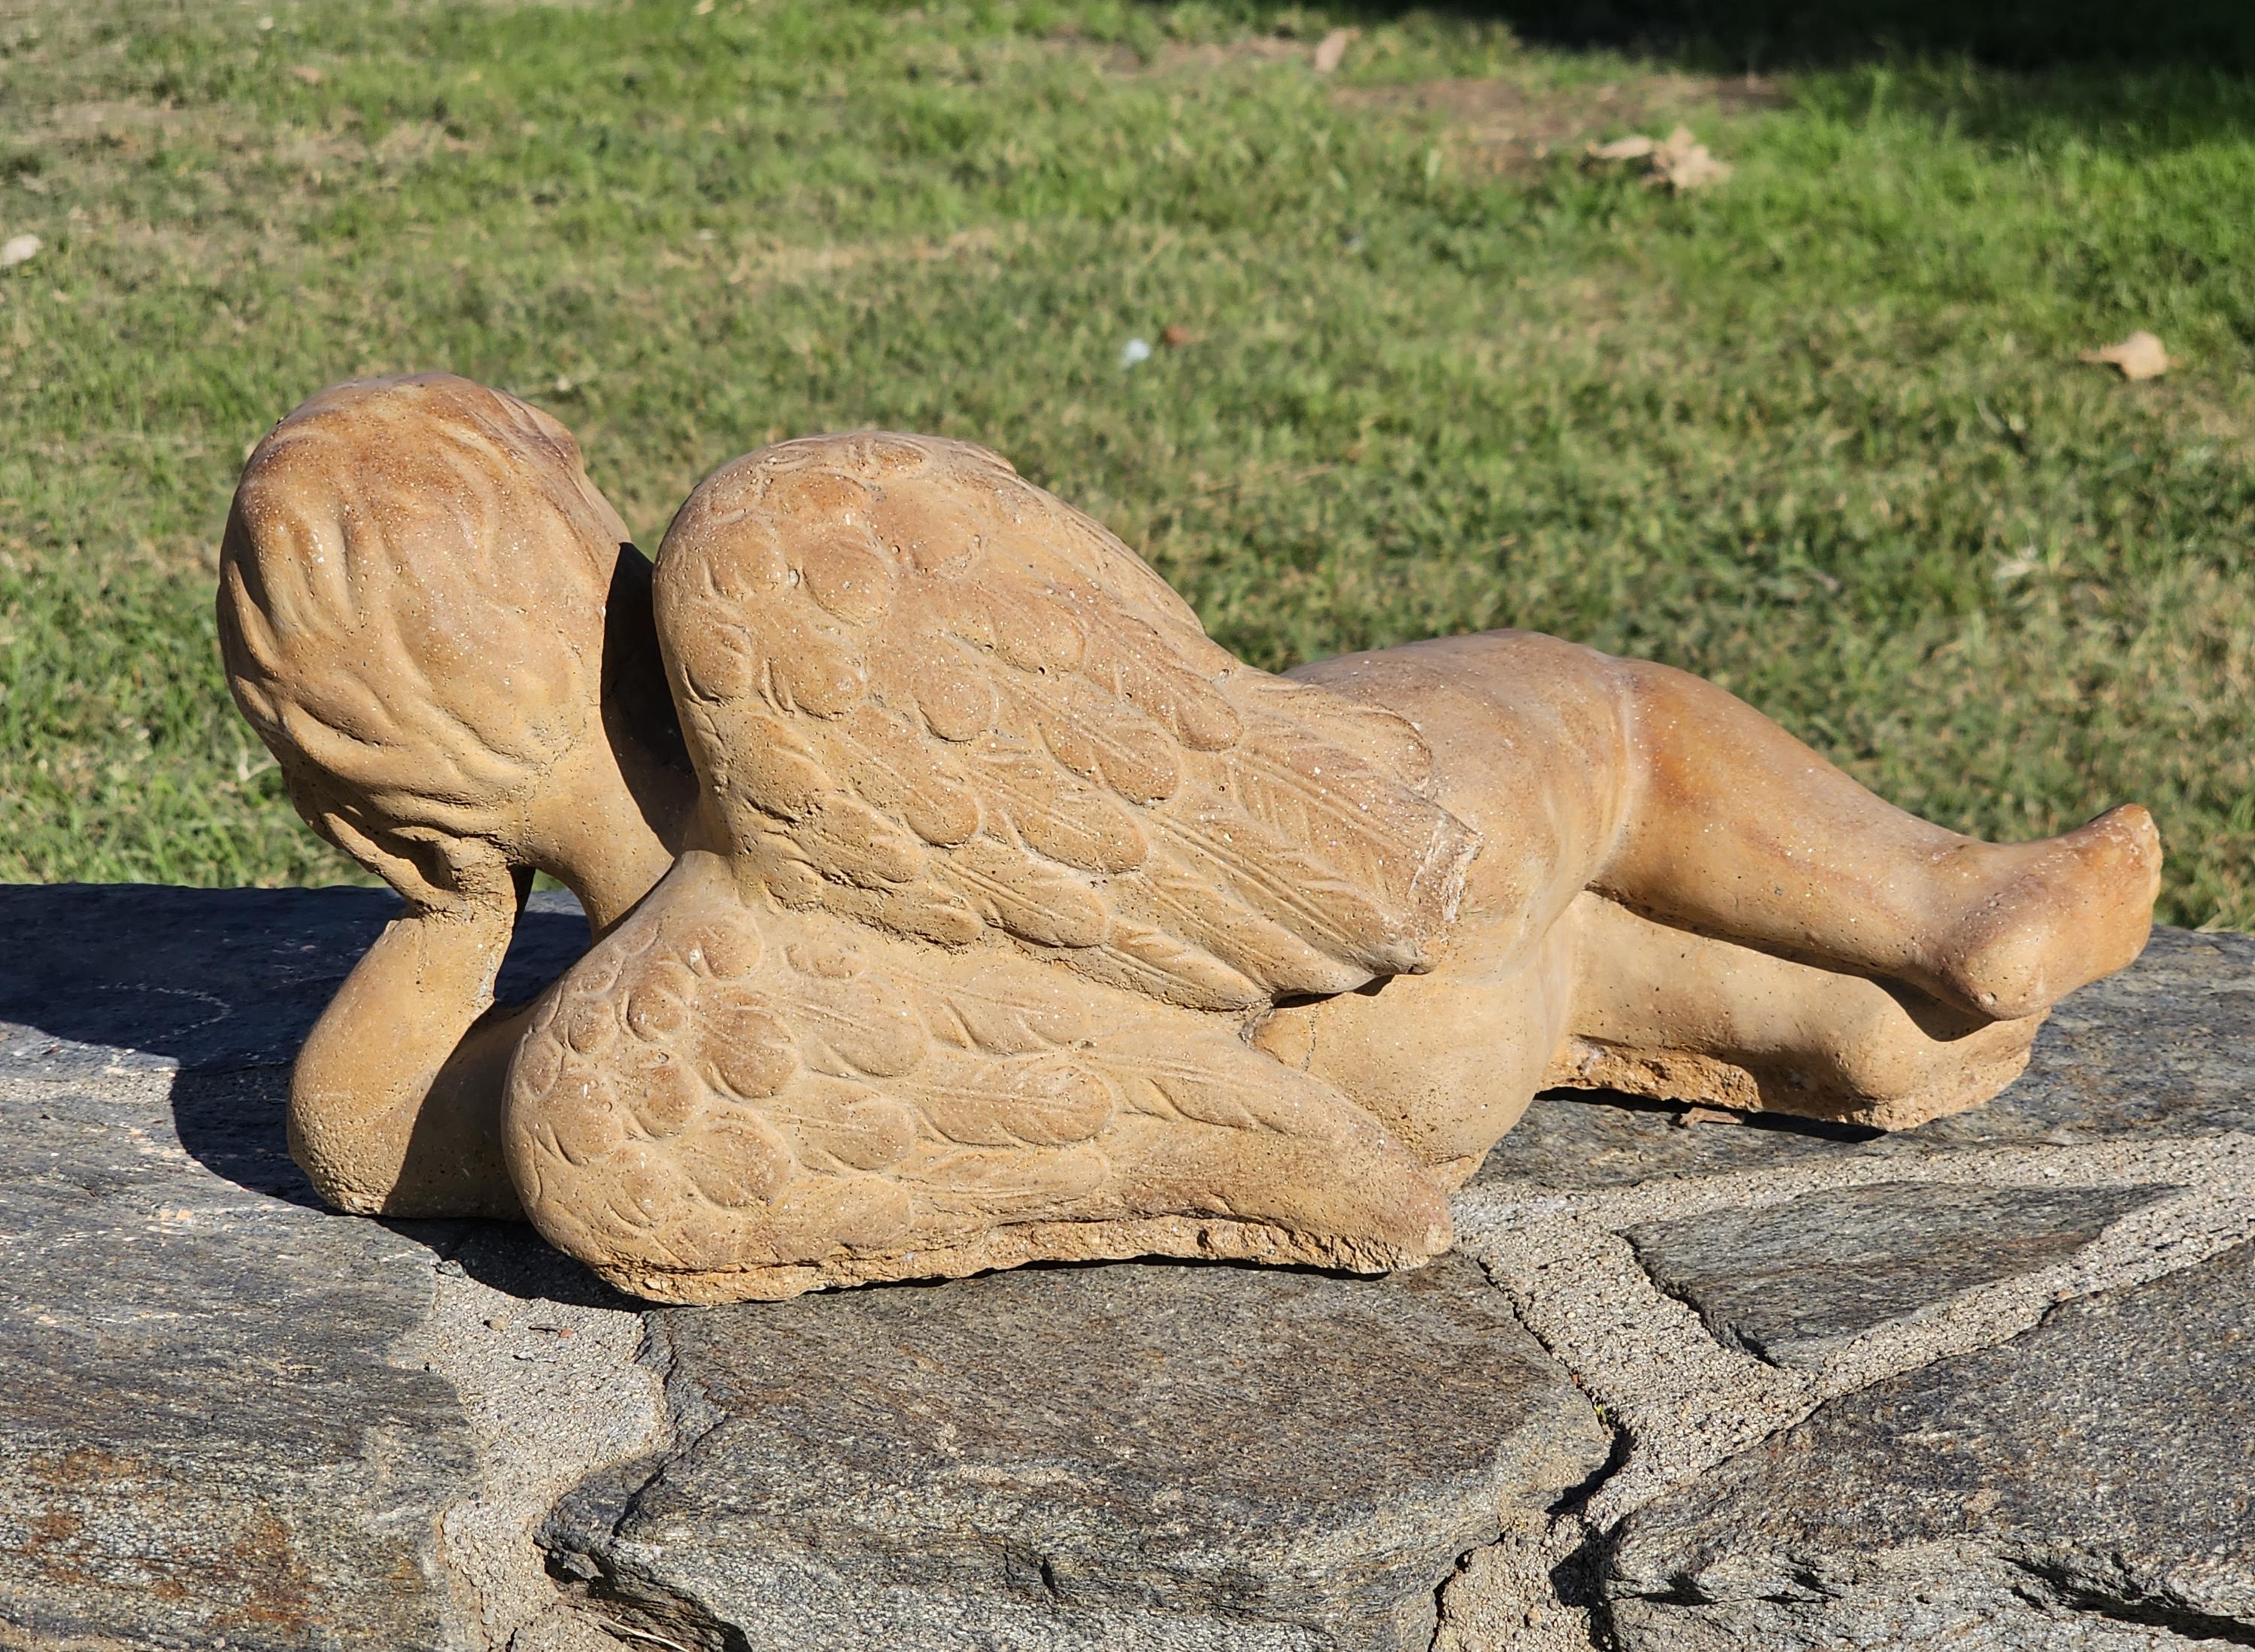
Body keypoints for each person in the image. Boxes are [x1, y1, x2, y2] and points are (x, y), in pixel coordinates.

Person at [218, 375, 2160, 1297]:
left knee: (1579, 974)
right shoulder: (783, 583)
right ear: (561, 507)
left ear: (365, 786)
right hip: (1370, 868)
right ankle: (1940, 906)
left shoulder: (614, 1070)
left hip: (1372, 1089)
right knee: (1618, 738)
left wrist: (452, 903)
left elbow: (356, 1127)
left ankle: (1863, 1034)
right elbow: (1218, 767)